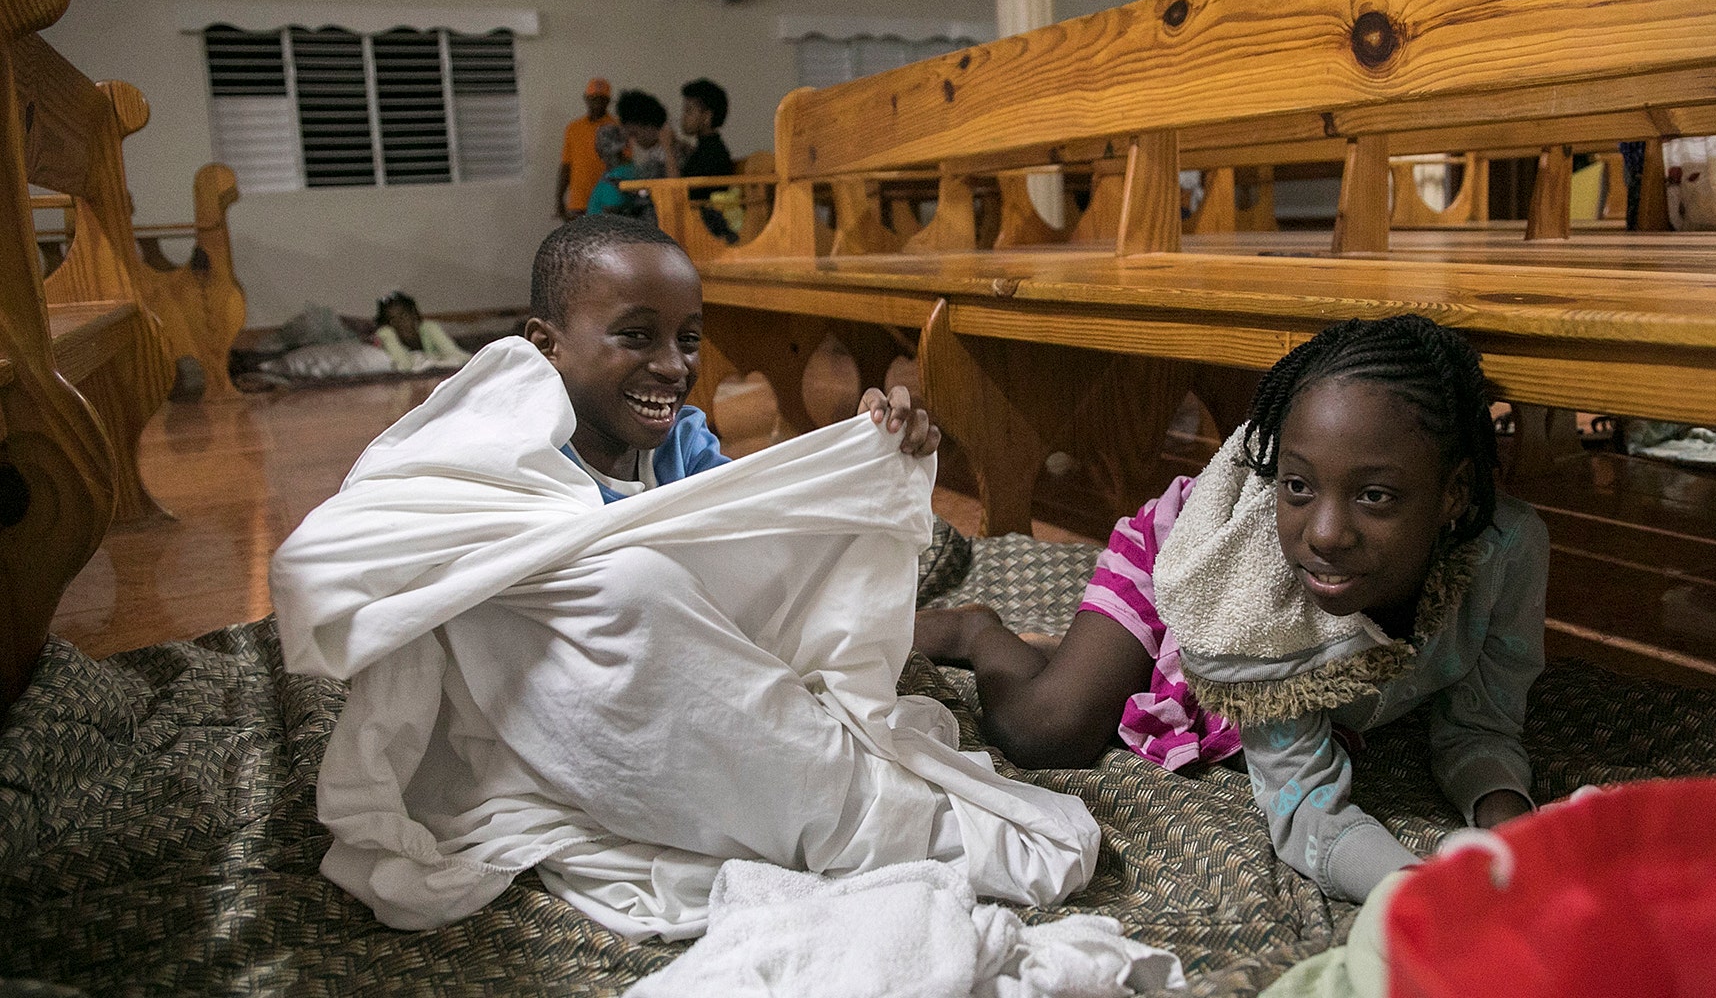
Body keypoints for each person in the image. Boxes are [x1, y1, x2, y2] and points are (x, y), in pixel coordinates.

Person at [270, 215, 1101, 942]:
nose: (672, 365)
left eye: (690, 339)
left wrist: (862, 456)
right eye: (636, 335)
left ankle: (919, 676)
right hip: (542, 697)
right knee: (625, 582)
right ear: (543, 345)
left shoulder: (679, 446)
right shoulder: (492, 456)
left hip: (698, 665)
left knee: (658, 583)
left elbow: (751, 552)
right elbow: (347, 559)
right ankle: (912, 690)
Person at [914, 314, 1547, 904]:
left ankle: (1106, 659)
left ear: (1454, 494)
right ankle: (977, 630)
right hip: (1186, 568)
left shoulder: (1506, 554)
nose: (1325, 533)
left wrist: (1519, 840)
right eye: (1296, 485)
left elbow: (1482, 726)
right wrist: (1422, 894)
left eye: (1375, 495)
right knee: (1044, 730)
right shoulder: (1253, 593)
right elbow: (1305, 810)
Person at [586, 92, 674, 219]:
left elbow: (672, 194)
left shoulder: (671, 154)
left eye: (634, 134)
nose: (634, 141)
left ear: (648, 126)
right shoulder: (652, 155)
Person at [674, 78, 738, 243]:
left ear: (707, 116)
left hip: (704, 226)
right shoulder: (706, 148)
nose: (683, 117)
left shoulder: (713, 152)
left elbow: (677, 192)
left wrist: (668, 151)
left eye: (689, 111)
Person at [554, 77, 616, 220]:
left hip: (607, 203)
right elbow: (566, 166)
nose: (597, 103)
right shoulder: (573, 128)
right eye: (593, 98)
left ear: (608, 101)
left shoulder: (616, 127)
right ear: (586, 99)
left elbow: (623, 165)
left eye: (602, 99)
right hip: (579, 203)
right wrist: (559, 201)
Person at [372, 290, 471, 373]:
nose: (399, 323)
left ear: (413, 314)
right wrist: (386, 334)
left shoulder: (428, 328)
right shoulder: (388, 337)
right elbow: (404, 366)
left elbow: (459, 356)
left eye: (403, 315)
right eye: (391, 320)